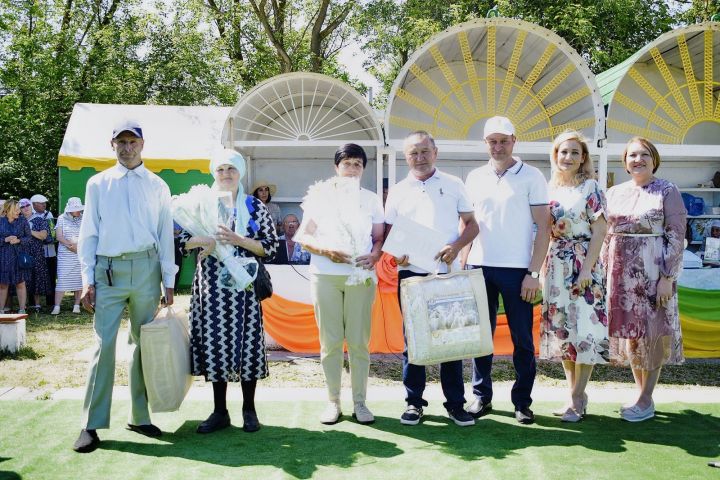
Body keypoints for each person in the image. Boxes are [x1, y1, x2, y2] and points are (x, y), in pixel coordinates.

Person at [73, 120, 177, 453]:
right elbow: (88, 233)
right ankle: (90, 424)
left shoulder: (158, 185)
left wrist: (169, 280)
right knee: (104, 346)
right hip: (108, 270)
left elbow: (164, 235)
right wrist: (87, 278)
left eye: (133, 141)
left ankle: (140, 415)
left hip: (147, 269)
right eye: (121, 141)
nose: (127, 147)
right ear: (112, 144)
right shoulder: (97, 183)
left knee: (143, 344)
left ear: (143, 145)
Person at [179, 148, 279, 434]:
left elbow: (270, 247)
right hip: (211, 287)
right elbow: (183, 242)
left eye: (231, 169)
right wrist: (205, 240)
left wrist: (238, 239)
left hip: (244, 286)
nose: (225, 174)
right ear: (214, 173)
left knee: (247, 345)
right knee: (215, 345)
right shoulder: (199, 204)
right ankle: (219, 411)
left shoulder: (254, 206)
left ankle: (249, 409)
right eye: (220, 169)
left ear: (240, 173)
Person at [385, 131, 479, 427]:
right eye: (414, 153)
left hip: (446, 273)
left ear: (435, 152)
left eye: (425, 151)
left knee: (451, 339)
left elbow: (472, 225)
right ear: (406, 157)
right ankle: (414, 403)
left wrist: (455, 247)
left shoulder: (453, 184)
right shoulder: (398, 190)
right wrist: (397, 255)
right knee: (413, 340)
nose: (420, 158)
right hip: (410, 273)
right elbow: (390, 235)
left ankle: (455, 404)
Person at [462, 116, 551, 425]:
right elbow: (468, 225)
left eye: (503, 140)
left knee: (522, 339)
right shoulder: (474, 177)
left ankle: (522, 402)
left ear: (514, 140)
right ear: (485, 143)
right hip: (479, 266)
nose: (498, 146)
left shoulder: (533, 176)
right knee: (480, 338)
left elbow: (544, 228)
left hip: (518, 271)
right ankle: (481, 397)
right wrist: (463, 264)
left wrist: (534, 273)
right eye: (492, 141)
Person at [296, 143, 384, 425]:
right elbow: (304, 236)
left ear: (363, 169)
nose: (352, 168)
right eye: (347, 163)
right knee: (331, 342)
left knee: (359, 343)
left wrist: (374, 255)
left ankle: (360, 402)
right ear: (337, 167)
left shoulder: (370, 199)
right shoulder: (320, 197)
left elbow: (379, 238)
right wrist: (327, 252)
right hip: (325, 276)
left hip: (360, 277)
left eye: (358, 164)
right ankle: (333, 401)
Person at [602, 137, 686, 422]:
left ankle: (646, 398)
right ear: (625, 162)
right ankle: (640, 395)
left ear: (654, 159)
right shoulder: (613, 192)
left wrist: (667, 276)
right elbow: (605, 235)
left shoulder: (667, 190)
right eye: (632, 155)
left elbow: (676, 234)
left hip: (653, 274)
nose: (638, 160)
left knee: (652, 334)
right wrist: (603, 271)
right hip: (620, 273)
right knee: (632, 336)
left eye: (644, 155)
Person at [540, 131, 609, 422]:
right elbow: (544, 232)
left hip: (584, 265)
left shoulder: (591, 187)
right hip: (556, 264)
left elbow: (601, 231)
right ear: (555, 156)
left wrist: (585, 270)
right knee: (563, 332)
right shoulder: (549, 190)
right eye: (563, 152)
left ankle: (579, 396)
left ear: (583, 159)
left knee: (586, 331)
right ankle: (572, 395)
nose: (567, 157)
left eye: (574, 153)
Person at [52, 197, 84, 315]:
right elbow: (59, 236)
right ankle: (57, 306)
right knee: (62, 280)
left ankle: (76, 305)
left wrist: (78, 248)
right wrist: (70, 246)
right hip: (65, 253)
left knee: (79, 279)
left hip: (79, 252)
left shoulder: (83, 218)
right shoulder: (61, 218)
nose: (79, 211)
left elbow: (86, 235)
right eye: (76, 209)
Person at [19, 198, 51, 311]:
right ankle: (24, 305)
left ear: (31, 206)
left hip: (36, 252)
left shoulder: (40, 219)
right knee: (23, 278)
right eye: (22, 207)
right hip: (22, 252)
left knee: (37, 277)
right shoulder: (17, 220)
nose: (25, 208)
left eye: (27, 205)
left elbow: (43, 236)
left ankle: (37, 305)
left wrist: (29, 230)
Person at [0, 200, 31, 314]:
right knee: (3, 284)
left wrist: (19, 240)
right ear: (8, 210)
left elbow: (29, 238)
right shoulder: (1, 221)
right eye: (16, 209)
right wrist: (5, 239)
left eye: (19, 209)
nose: (19, 211)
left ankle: (22, 309)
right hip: (3, 257)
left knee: (20, 283)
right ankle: (1, 310)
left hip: (19, 256)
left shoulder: (23, 221)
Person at [30, 194, 57, 307]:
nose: (44, 205)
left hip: (49, 250)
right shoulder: (28, 215)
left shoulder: (48, 214)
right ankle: (33, 303)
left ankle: (51, 302)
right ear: (34, 204)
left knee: (50, 276)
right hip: (35, 251)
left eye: (44, 203)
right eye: (41, 203)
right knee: (33, 276)